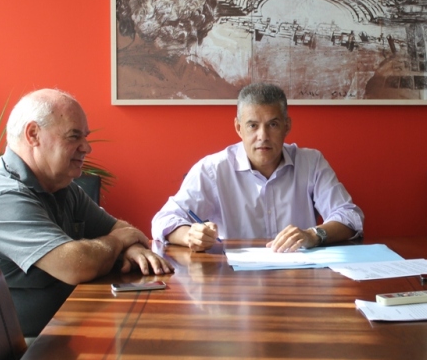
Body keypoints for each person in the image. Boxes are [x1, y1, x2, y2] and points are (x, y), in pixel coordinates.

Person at [0, 89, 173, 337]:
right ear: (33, 134)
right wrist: (120, 242)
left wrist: (131, 247)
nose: (86, 147)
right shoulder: (3, 200)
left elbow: (120, 229)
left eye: (85, 137)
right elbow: (75, 265)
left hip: (59, 334)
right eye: (74, 136)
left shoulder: (60, 186)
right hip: (17, 351)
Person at [151, 82, 363, 252]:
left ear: (287, 126)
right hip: (234, 280)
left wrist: (314, 235)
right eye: (253, 125)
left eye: (273, 125)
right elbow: (163, 220)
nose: (263, 136)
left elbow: (350, 216)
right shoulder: (213, 169)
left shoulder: (311, 162)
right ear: (238, 128)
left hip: (299, 275)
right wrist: (190, 235)